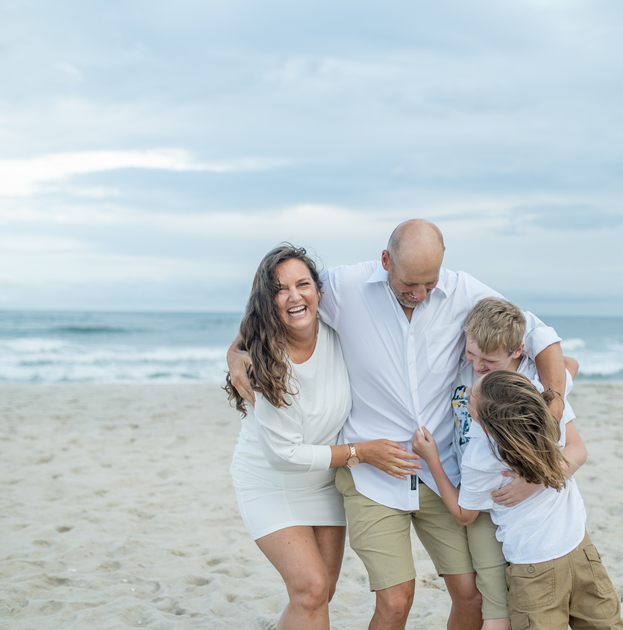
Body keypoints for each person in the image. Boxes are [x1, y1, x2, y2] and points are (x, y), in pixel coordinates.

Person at [227, 220, 567, 630]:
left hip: (440, 473)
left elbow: (534, 332)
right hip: (371, 477)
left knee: (471, 596)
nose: (420, 293)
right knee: (395, 601)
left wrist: (556, 398)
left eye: (430, 282)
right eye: (409, 283)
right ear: (386, 261)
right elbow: (275, 306)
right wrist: (235, 352)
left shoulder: (464, 292)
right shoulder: (343, 287)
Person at [225, 244, 421, 630]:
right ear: (268, 302)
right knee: (311, 589)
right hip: (270, 482)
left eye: (303, 284)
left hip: (322, 484)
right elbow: (284, 455)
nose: (295, 296)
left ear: (318, 289)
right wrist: (360, 453)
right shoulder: (265, 362)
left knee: (322, 591)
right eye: (281, 289)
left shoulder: (339, 335)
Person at [413, 370, 623, 630]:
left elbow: (464, 515)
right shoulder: (546, 415)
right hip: (580, 548)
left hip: (533, 567)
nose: (467, 393)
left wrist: (432, 460)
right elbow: (569, 364)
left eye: (472, 398)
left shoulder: (480, 457)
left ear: (487, 427)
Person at [449, 297, 585, 629]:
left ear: (517, 351)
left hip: (525, 518)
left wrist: (536, 480)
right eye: (472, 354)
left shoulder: (534, 390)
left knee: (505, 610)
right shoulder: (469, 369)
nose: (478, 365)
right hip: (480, 497)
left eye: (488, 361)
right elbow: (570, 363)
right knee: (492, 598)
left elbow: (577, 449)